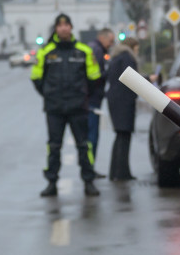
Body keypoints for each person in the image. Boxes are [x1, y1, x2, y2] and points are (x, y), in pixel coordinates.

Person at [31, 13, 103, 197]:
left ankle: (88, 181)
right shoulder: (46, 52)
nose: (63, 28)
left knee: (83, 146)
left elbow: (94, 77)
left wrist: (83, 95)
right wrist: (49, 94)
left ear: (71, 28)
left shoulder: (84, 51)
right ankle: (51, 183)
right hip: (54, 109)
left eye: (66, 25)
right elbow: (36, 77)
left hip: (78, 107)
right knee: (54, 147)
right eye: (60, 25)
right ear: (56, 29)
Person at [105, 36, 141, 181]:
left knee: (120, 136)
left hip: (116, 99)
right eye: (137, 49)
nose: (137, 52)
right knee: (124, 136)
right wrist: (148, 79)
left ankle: (116, 172)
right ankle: (122, 173)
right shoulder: (127, 57)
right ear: (132, 47)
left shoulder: (117, 56)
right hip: (124, 100)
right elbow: (131, 78)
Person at [87, 27, 115, 176]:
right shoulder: (97, 51)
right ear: (102, 38)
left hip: (90, 99)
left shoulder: (93, 48)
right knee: (92, 136)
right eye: (110, 41)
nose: (111, 44)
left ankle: (89, 168)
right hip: (92, 101)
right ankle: (89, 169)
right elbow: (95, 76)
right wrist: (109, 73)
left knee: (90, 136)